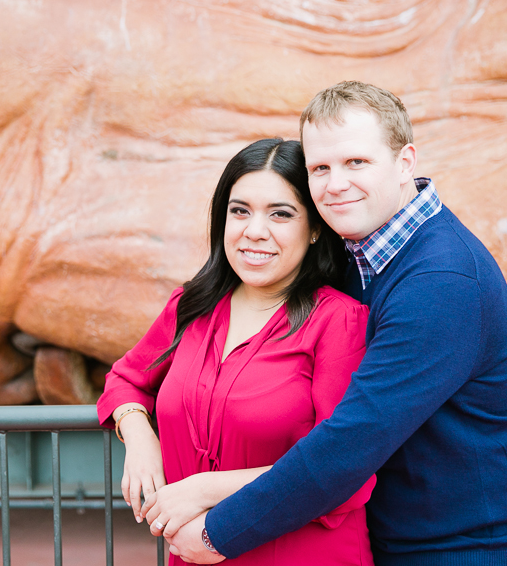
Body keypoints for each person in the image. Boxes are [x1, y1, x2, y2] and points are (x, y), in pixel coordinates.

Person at [166, 82, 507, 566]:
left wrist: (219, 531)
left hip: (463, 548)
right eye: (320, 168)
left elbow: (352, 440)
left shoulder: (442, 282)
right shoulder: (357, 258)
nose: (335, 183)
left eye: (356, 163)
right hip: (390, 540)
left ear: (406, 162)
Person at [97, 137, 377, 566]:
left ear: (316, 227)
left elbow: (345, 473)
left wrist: (203, 489)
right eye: (240, 210)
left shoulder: (338, 322)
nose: (255, 231)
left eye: (280, 214)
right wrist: (138, 437)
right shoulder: (191, 307)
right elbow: (126, 379)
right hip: (191, 553)